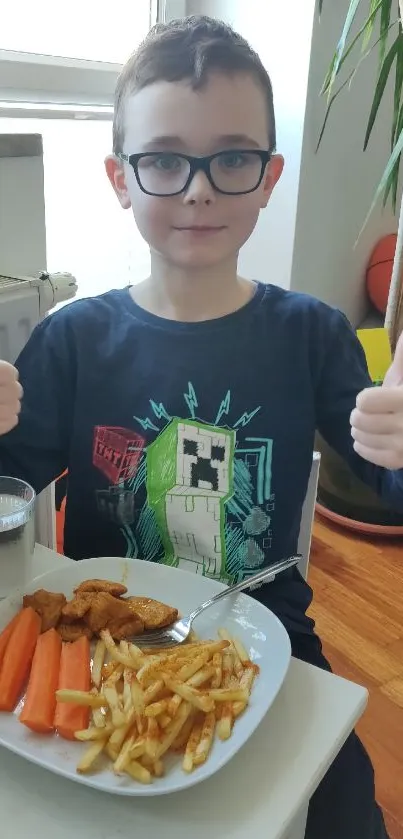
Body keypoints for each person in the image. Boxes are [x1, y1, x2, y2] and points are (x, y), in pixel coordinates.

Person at [0, 15, 402, 837]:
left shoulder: (314, 335)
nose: (197, 187)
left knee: (344, 816)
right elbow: (9, 496)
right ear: (121, 176)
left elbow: (383, 485)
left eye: (230, 158)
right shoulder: (74, 339)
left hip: (267, 636)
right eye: (163, 159)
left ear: (267, 176)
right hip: (93, 651)